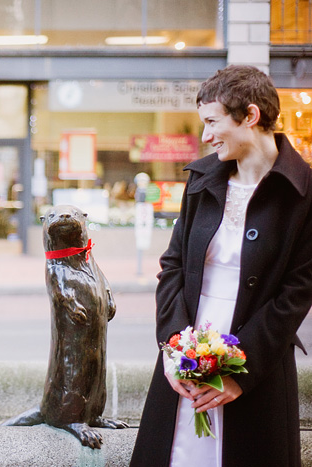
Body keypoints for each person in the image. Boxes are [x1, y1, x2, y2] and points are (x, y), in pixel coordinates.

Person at [130, 65, 312, 467]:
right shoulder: (200, 180)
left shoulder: (305, 193)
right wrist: (173, 348)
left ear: (250, 116)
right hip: (188, 345)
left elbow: (297, 293)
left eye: (212, 122)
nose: (206, 135)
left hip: (257, 360)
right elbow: (172, 265)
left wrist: (239, 375)